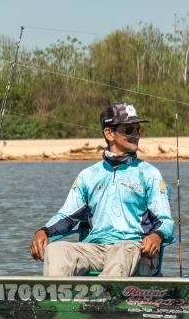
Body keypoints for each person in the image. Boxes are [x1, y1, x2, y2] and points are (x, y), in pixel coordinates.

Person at [30, 102, 175, 277]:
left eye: (138, 129)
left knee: (123, 250)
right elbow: (66, 216)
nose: (136, 135)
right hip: (95, 249)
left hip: (135, 250)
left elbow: (165, 221)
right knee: (55, 250)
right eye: (129, 130)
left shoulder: (149, 173)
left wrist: (157, 237)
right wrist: (43, 232)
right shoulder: (88, 175)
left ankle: (101, 301)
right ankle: (57, 302)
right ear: (109, 133)